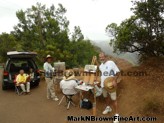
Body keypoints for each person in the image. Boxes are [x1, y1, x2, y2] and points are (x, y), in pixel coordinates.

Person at [98, 52, 120, 122]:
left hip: (111, 85)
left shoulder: (111, 63)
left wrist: (114, 80)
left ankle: (116, 115)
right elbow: (103, 75)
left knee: (114, 99)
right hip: (103, 85)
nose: (101, 58)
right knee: (106, 97)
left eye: (102, 57)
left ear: (105, 57)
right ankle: (108, 108)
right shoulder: (100, 66)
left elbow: (117, 72)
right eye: (100, 57)